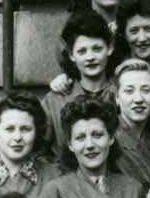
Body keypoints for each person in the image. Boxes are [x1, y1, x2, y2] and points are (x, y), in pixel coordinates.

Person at [42, 10, 116, 148]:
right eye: (82, 51)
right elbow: (40, 152)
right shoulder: (54, 101)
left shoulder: (122, 95)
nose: (90, 57)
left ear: (110, 48)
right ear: (71, 55)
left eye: (97, 49)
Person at [112, 59, 150, 189]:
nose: (138, 99)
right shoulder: (108, 138)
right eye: (129, 91)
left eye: (146, 90)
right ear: (117, 97)